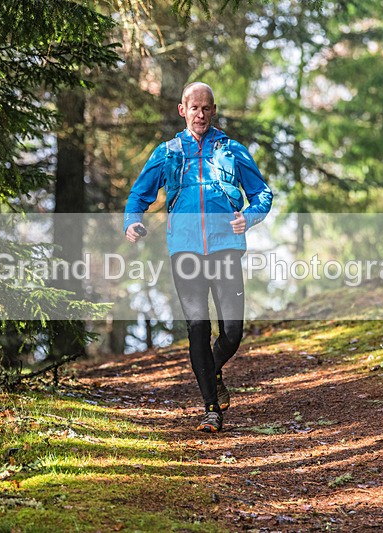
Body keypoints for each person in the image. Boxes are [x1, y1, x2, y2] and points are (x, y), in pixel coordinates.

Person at [123, 82, 273, 432]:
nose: (200, 114)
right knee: (197, 328)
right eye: (194, 108)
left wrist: (249, 217)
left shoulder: (232, 150)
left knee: (232, 332)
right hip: (185, 250)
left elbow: (262, 194)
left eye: (206, 108)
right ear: (183, 110)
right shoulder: (168, 152)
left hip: (225, 248)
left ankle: (212, 369)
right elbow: (138, 195)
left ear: (213, 110)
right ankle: (211, 409)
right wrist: (132, 221)